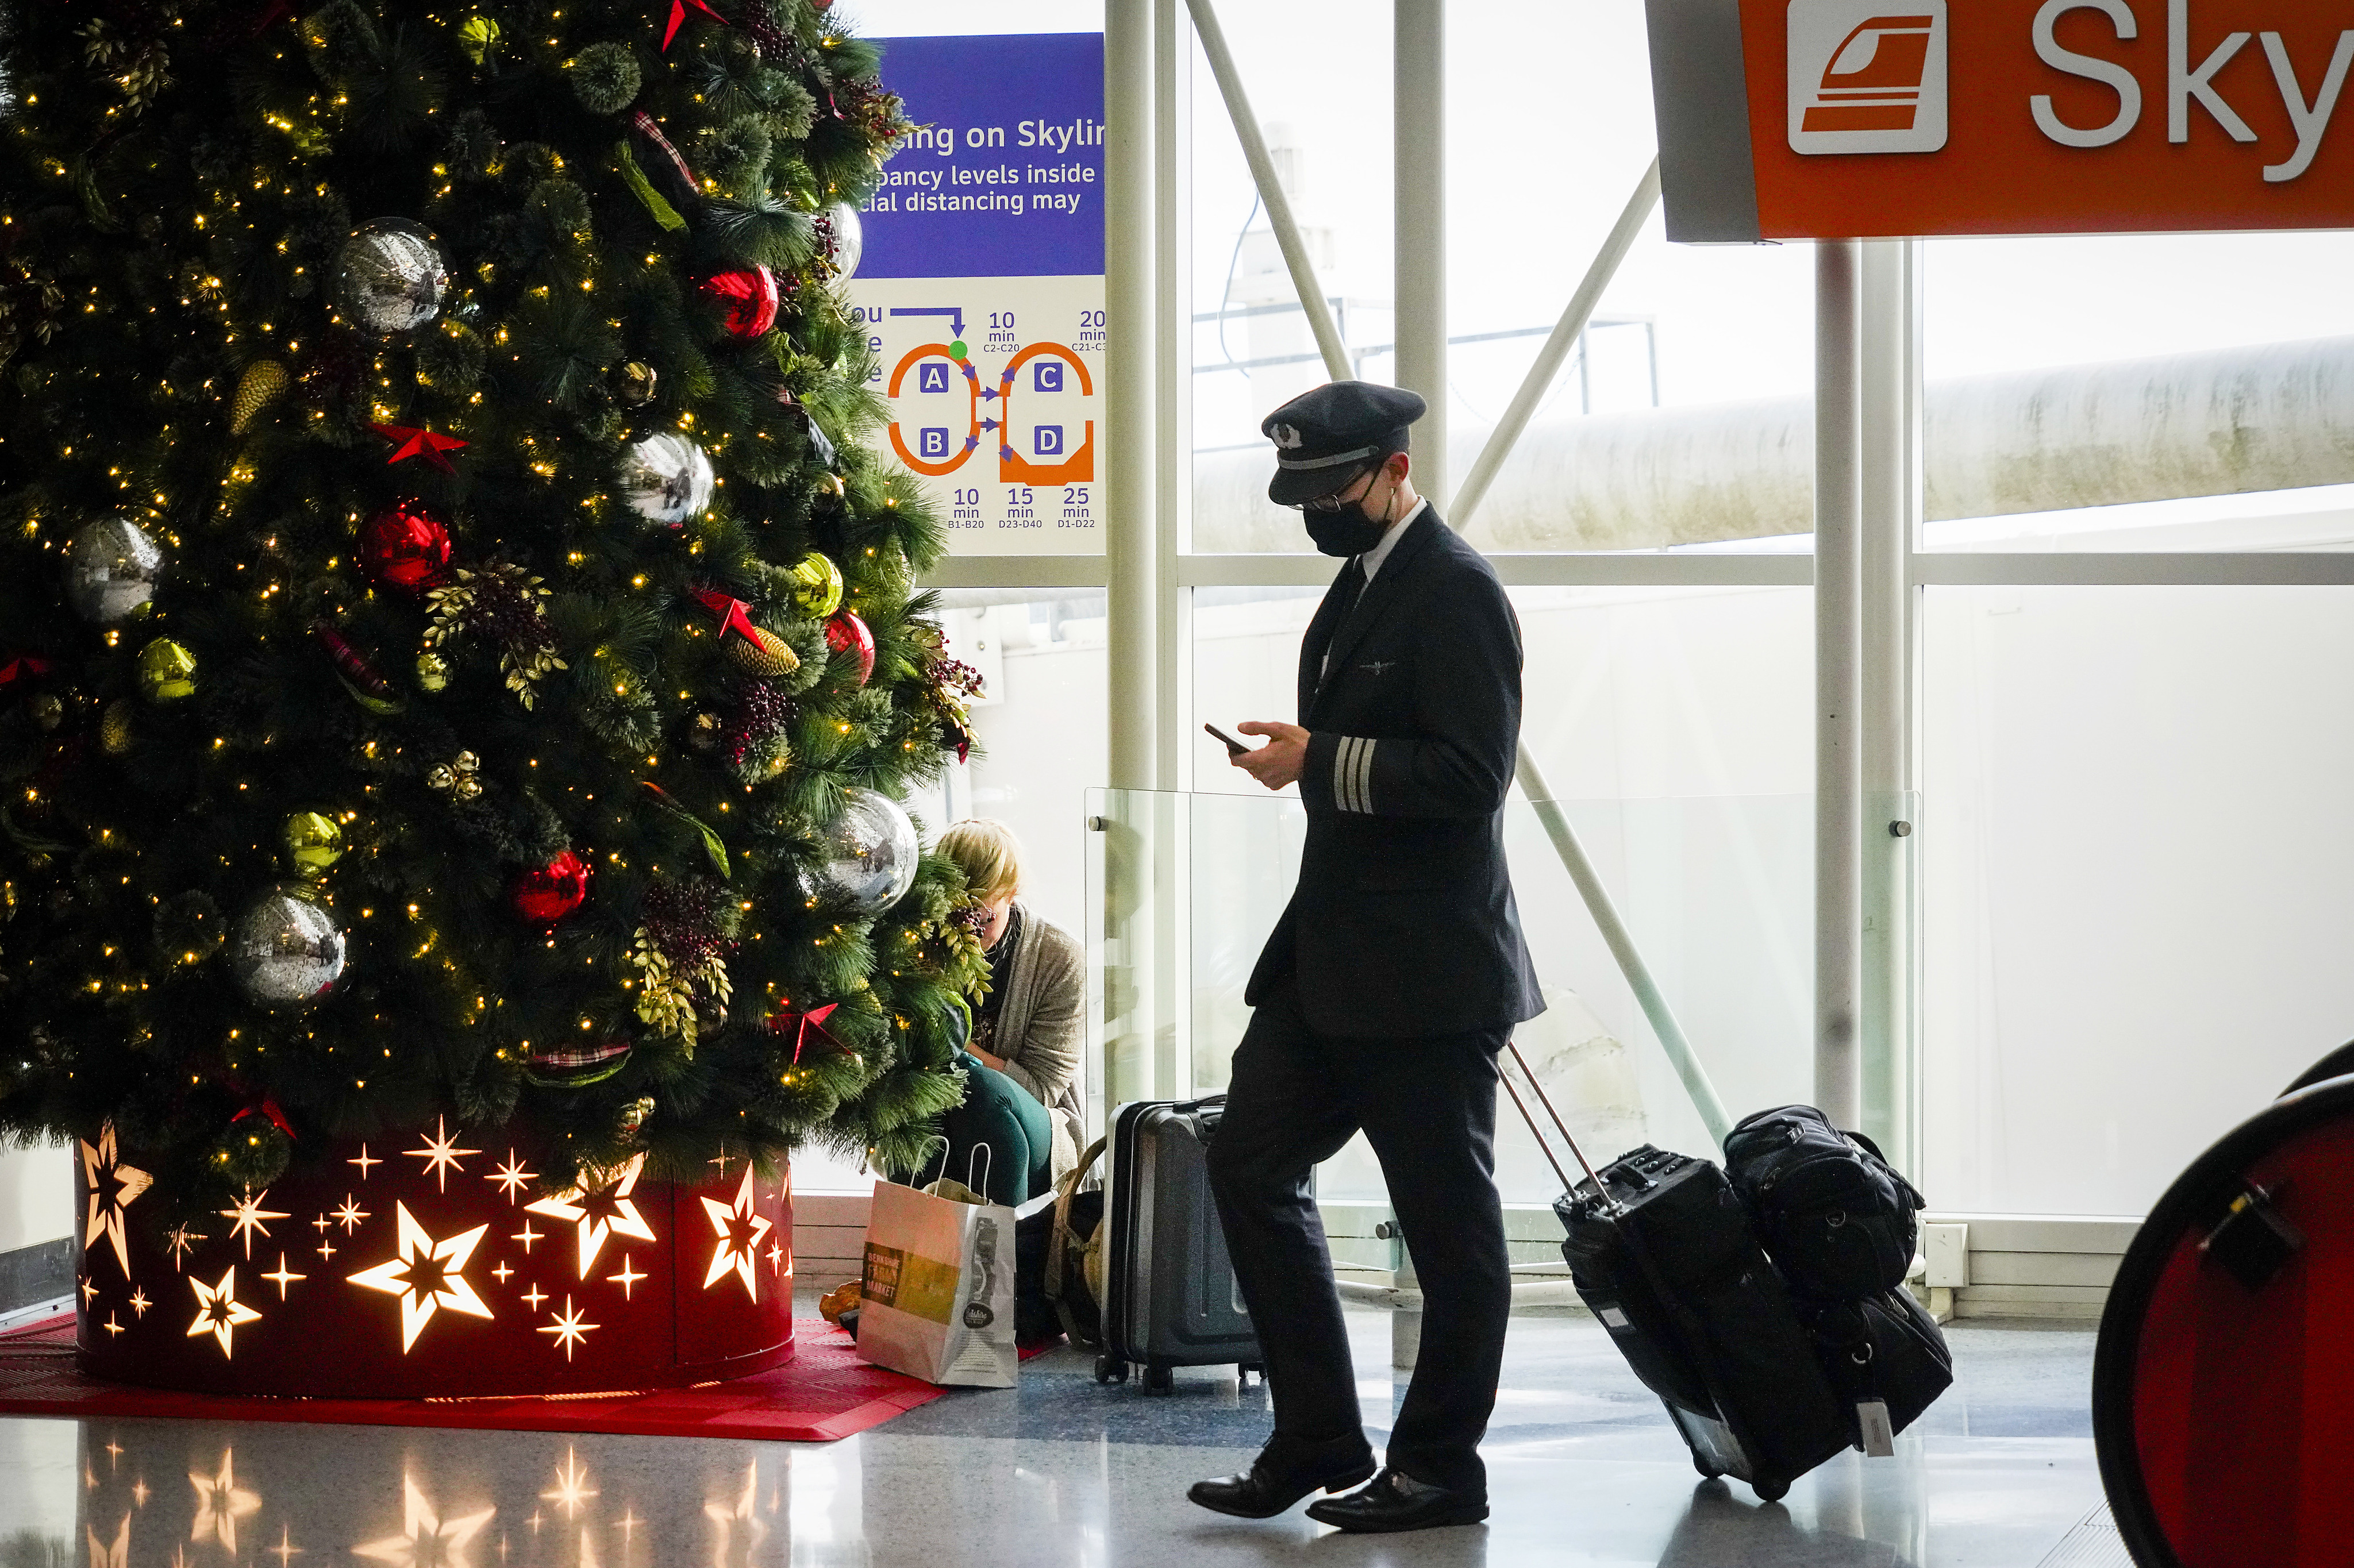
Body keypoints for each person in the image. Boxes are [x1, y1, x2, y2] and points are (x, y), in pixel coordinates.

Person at [1188, 381, 1543, 1535]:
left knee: (1449, 1231)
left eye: (1329, 488)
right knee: (1245, 1160)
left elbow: (1470, 777)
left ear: (1391, 468)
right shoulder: (1357, 586)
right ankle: (1316, 1435)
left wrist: (1319, 758)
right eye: (1297, 492)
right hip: (1332, 959)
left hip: (1428, 974)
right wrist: (1299, 759)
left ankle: (1441, 1463)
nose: (1313, 512)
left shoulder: (1456, 592)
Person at [936, 819, 1087, 1185]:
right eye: (954, 916)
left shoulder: (1058, 957)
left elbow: (1042, 1089)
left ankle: (1009, 1241)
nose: (967, 932)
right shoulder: (918, 939)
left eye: (983, 917)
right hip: (939, 1111)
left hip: (1033, 1124)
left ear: (1013, 891)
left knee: (982, 1092)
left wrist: (959, 1048)